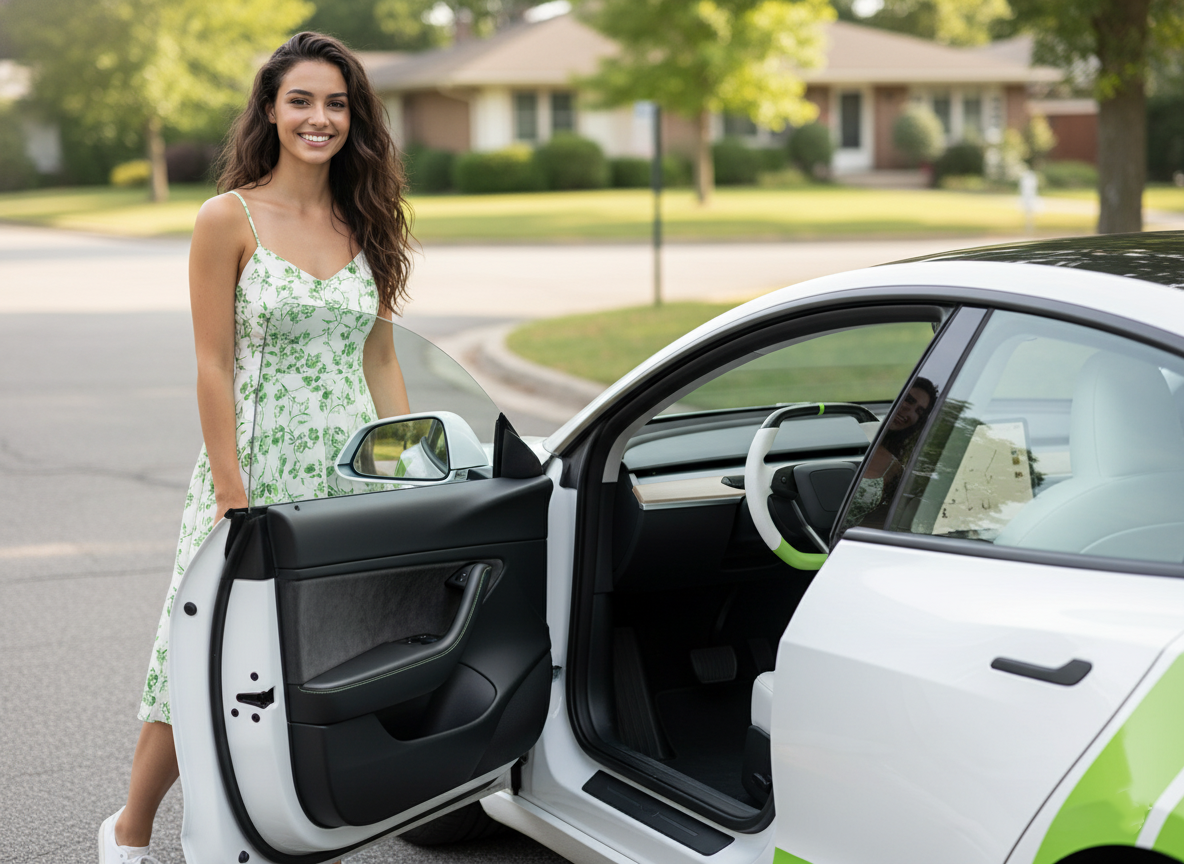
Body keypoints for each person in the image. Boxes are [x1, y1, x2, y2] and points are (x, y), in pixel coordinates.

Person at [98, 31, 414, 862]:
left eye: (336, 103)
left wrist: (415, 470)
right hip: (253, 474)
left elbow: (379, 358)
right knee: (194, 654)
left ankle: (285, 829)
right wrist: (233, 493)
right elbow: (211, 364)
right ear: (271, 112)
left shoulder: (366, 220)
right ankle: (129, 833)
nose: (320, 118)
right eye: (301, 101)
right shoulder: (226, 217)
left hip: (347, 478)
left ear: (356, 117)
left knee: (320, 659)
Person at [844, 377, 937, 528]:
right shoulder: (850, 433)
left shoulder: (897, 467)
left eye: (918, 411)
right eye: (908, 400)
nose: (909, 411)